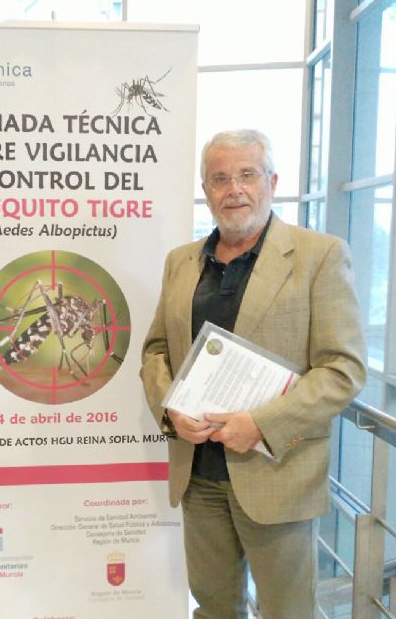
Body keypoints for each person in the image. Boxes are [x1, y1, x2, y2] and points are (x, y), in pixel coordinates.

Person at [140, 129, 366, 619]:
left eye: (247, 175)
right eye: (220, 178)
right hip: (199, 473)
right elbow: (156, 351)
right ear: (206, 189)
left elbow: (343, 369)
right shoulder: (181, 262)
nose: (234, 189)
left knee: (287, 612)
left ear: (272, 182)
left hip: (277, 475)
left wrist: (262, 423)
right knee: (213, 608)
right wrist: (170, 407)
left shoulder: (320, 255)